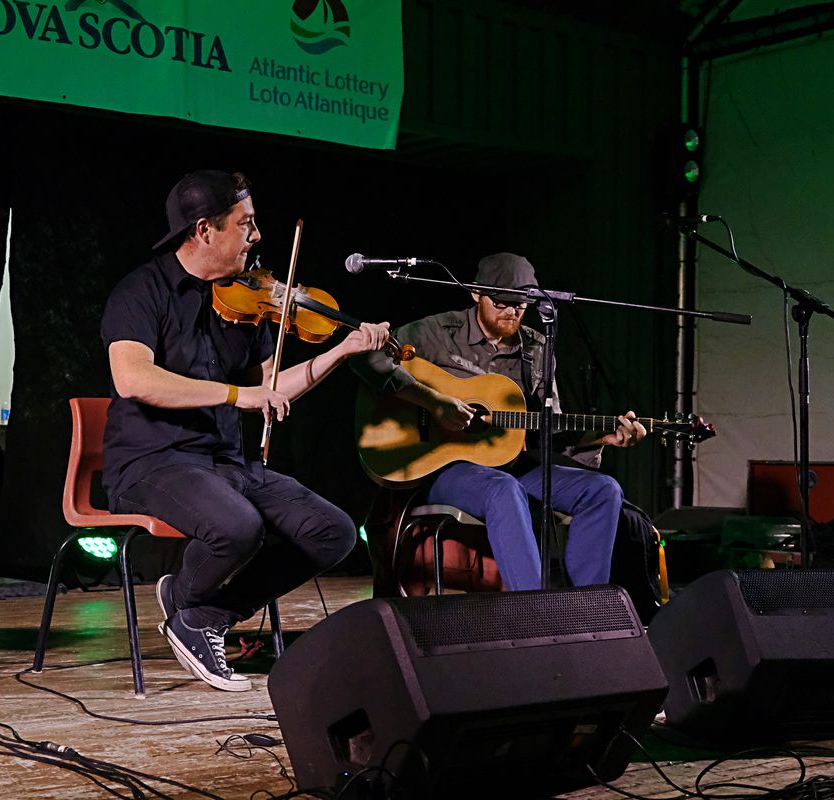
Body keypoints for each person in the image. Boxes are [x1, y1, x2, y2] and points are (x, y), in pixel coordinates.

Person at [101, 170, 391, 691]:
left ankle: (200, 613)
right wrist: (236, 395)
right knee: (238, 527)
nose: (257, 236)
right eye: (245, 223)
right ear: (204, 230)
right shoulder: (141, 291)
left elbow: (271, 387)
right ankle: (191, 607)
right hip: (151, 461)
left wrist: (341, 351)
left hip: (225, 463)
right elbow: (133, 379)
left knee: (334, 531)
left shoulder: (245, 302)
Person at [352, 253, 648, 597]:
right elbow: (367, 359)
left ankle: (585, 608)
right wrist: (434, 403)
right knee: (502, 489)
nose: (512, 311)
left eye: (521, 304)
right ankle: (535, 609)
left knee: (603, 490)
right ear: (476, 293)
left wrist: (600, 438)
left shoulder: (538, 348)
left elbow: (549, 430)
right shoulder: (437, 332)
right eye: (502, 302)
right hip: (443, 467)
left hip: (511, 464)